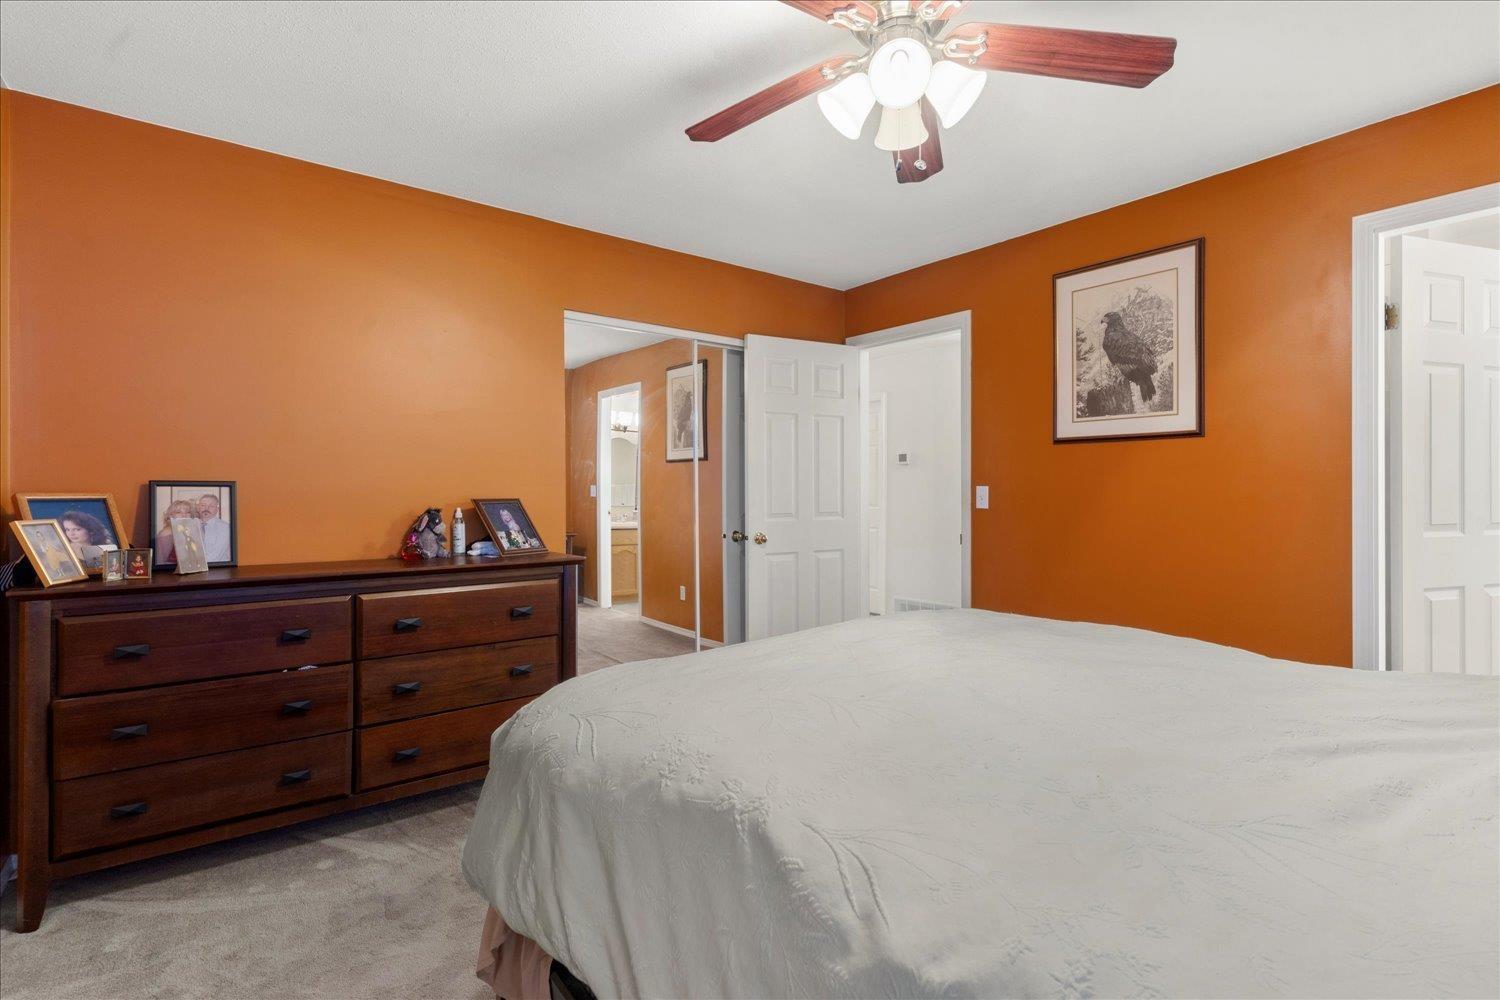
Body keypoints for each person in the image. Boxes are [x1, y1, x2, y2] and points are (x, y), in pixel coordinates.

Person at [155, 499, 195, 563]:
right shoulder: (167, 533)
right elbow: (160, 561)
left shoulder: (190, 531)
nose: (184, 515)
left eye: (187, 512)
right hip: (170, 571)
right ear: (171, 516)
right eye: (178, 512)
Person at [197, 493, 232, 563]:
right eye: (203, 505)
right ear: (198, 508)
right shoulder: (192, 526)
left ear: (217, 509)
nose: (206, 509)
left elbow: (215, 557)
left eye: (211, 506)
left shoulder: (225, 528)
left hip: (218, 571)